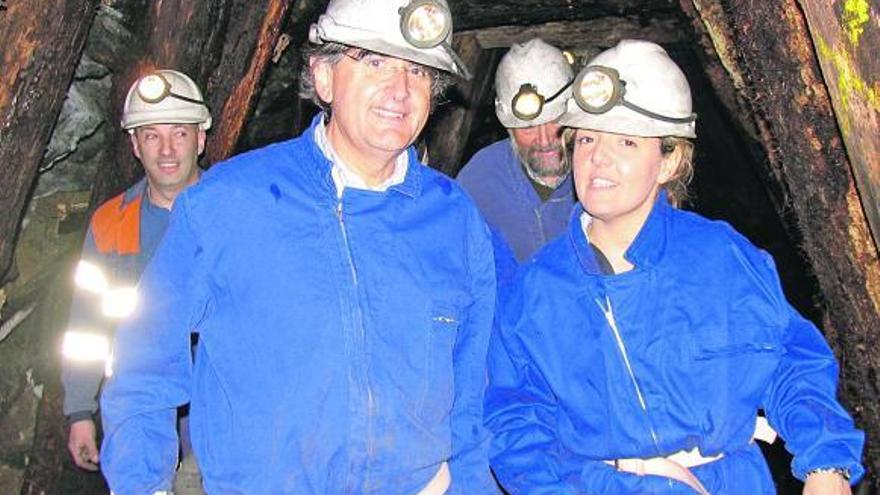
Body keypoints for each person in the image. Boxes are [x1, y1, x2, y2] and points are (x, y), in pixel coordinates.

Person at [99, 1, 498, 493]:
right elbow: (144, 360)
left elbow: (471, 384)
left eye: (418, 71)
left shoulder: (454, 218)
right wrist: (142, 484)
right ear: (324, 77)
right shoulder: (229, 203)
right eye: (373, 62)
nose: (400, 89)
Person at [484, 39, 864, 494]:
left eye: (626, 140)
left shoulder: (718, 257)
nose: (597, 158)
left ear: (669, 160)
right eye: (586, 138)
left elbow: (787, 359)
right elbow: (513, 421)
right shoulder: (536, 289)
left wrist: (827, 464)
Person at [61, 69, 210, 493]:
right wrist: (79, 412)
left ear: (200, 138)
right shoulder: (111, 222)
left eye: (179, 133)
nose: (167, 150)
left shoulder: (237, 210)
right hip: (139, 411)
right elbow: (86, 325)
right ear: (134, 145)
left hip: (219, 408)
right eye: (151, 136)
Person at [457, 38, 575, 274]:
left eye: (554, 121)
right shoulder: (481, 179)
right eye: (528, 127)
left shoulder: (601, 170)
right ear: (508, 128)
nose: (544, 140)